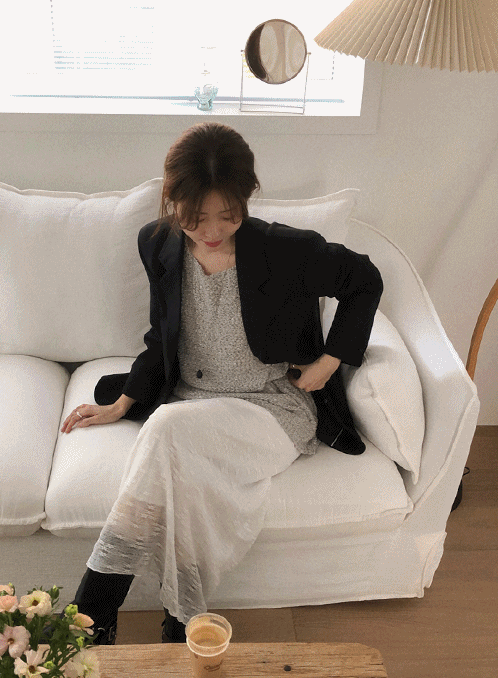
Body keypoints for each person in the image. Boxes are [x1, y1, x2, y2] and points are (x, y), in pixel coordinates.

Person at [60, 122, 383, 644]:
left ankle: (92, 614)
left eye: (228, 215)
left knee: (166, 429)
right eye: (195, 218)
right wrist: (123, 402)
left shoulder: (285, 249)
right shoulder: (157, 244)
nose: (211, 230)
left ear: (246, 198)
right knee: (184, 474)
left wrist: (329, 361)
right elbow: (161, 337)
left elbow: (365, 279)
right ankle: (181, 625)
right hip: (193, 404)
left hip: (271, 409)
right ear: (172, 202)